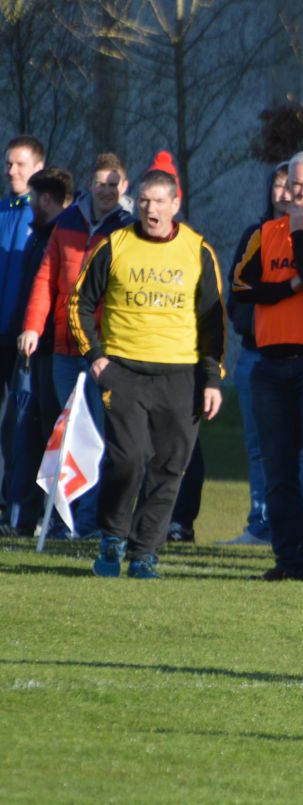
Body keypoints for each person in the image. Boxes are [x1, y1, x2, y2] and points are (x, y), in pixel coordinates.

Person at [67, 166, 225, 578]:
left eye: (159, 201)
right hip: (124, 372)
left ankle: (143, 553)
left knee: (170, 465)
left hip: (180, 376)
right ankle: (112, 537)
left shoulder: (198, 249)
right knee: (130, 457)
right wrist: (97, 358)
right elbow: (78, 304)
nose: (150, 209)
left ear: (176, 203)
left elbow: (213, 321)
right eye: (143, 201)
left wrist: (212, 380)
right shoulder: (115, 244)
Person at [233, 150, 303, 581]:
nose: (300, 193)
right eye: (295, 184)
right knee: (276, 468)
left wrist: (301, 237)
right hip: (270, 364)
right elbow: (244, 287)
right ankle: (289, 559)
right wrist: (291, 286)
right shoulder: (264, 232)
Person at [19, 153, 134, 537]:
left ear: (125, 187)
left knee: (97, 436)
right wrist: (34, 327)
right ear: (90, 182)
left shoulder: (129, 230)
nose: (106, 190)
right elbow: (45, 279)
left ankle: (89, 523)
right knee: (64, 436)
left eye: (113, 183)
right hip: (64, 353)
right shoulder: (66, 223)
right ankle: (61, 520)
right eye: (100, 182)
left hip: (104, 353)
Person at [218, 163, 296, 547]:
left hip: (301, 359)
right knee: (257, 446)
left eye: (290, 186)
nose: (283, 194)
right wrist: (261, 322)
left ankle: (299, 523)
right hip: (256, 356)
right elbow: (238, 297)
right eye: (278, 186)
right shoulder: (256, 236)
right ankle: (260, 524)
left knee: (300, 447)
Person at [4, 167, 74, 535]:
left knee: (47, 434)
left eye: (33, 198)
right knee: (23, 433)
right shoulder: (39, 237)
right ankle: (23, 518)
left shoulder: (59, 237)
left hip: (50, 352)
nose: (30, 205)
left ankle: (55, 519)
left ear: (46, 199)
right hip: (33, 350)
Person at [0, 135, 45, 521]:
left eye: (20, 164)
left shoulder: (43, 219)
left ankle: (19, 507)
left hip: (25, 339)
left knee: (20, 423)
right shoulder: (2, 212)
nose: (11, 171)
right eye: (8, 164)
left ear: (38, 169)